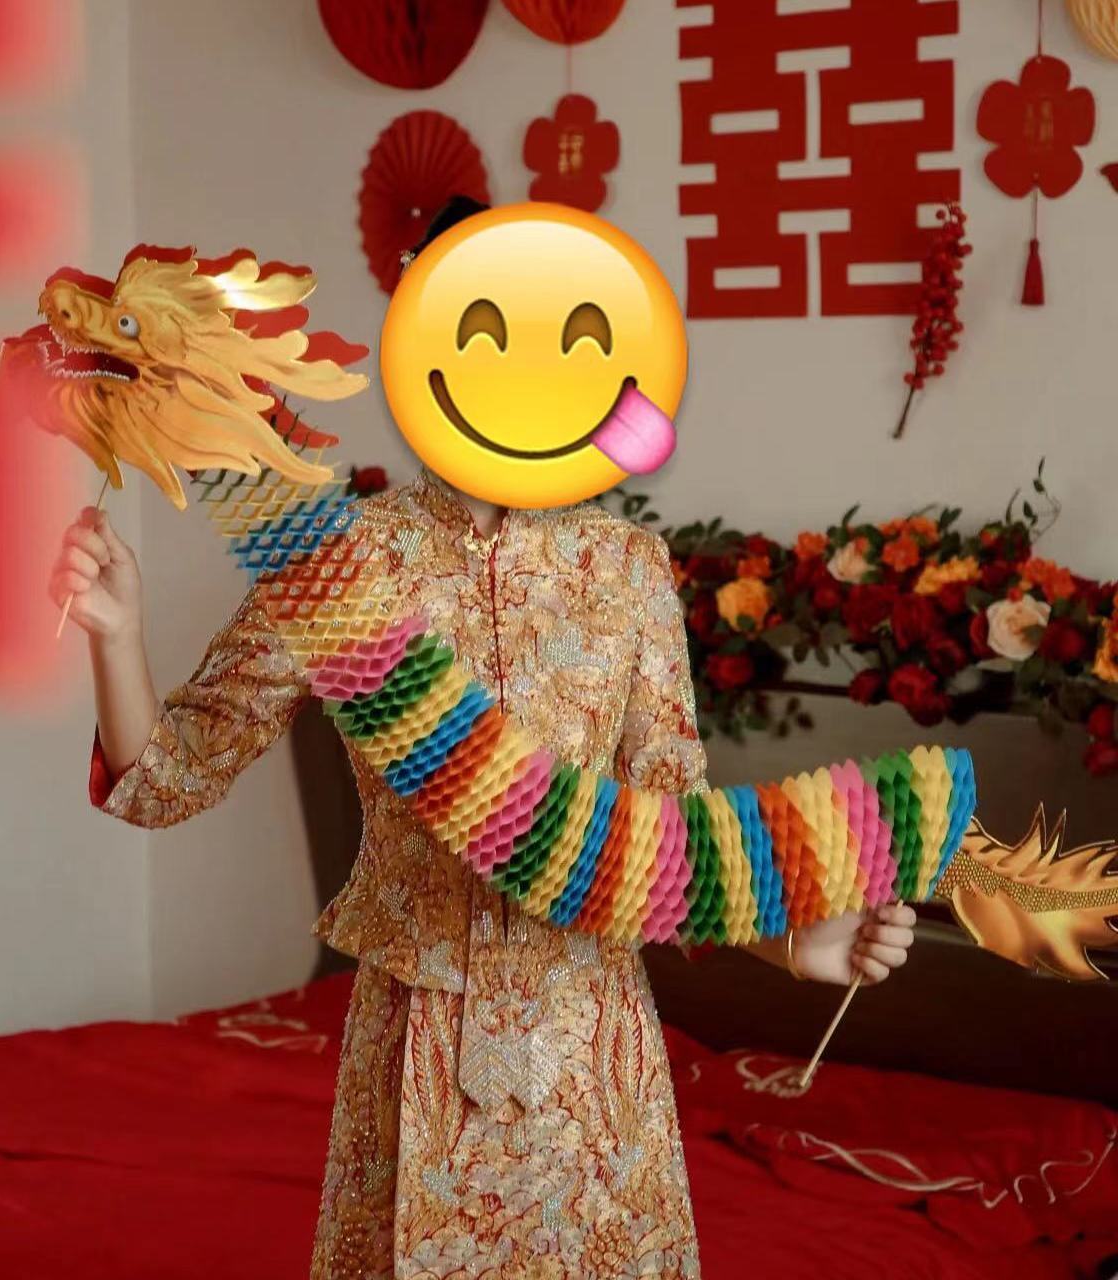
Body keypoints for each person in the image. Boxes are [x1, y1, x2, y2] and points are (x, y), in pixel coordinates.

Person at [50, 200, 918, 1279]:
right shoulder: (340, 562)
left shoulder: (627, 570)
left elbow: (668, 834)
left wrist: (797, 941)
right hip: (415, 1047)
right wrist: (118, 634)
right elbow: (162, 780)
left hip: (594, 1058)